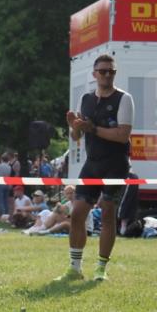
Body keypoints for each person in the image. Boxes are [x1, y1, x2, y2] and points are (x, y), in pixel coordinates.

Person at [56, 54, 134, 282]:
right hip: (93, 163)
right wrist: (75, 127)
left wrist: (93, 129)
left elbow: (122, 135)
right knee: (77, 213)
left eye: (111, 71)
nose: (107, 75)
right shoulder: (86, 99)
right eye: (103, 71)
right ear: (94, 74)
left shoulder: (124, 99)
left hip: (116, 163)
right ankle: (74, 268)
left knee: (108, 212)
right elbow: (78, 135)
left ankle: (101, 268)